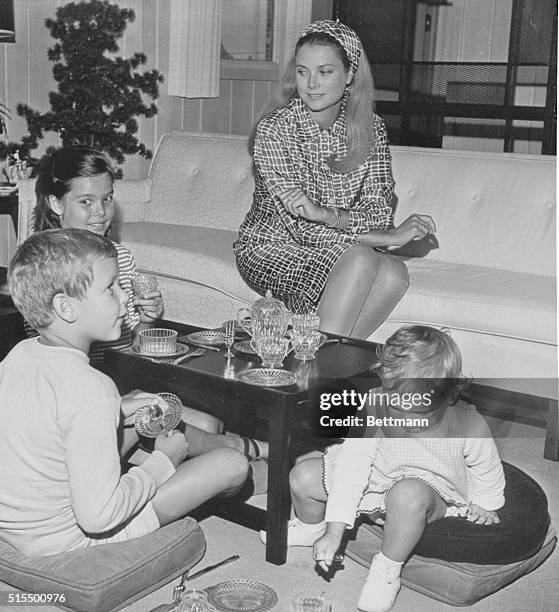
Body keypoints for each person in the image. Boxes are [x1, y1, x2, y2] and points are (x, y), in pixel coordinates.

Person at [0, 229, 249, 556]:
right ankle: (265, 472)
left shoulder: (19, 353)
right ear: (66, 308)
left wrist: (116, 409)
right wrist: (162, 463)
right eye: (110, 288)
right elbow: (98, 518)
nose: (124, 297)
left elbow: (45, 424)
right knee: (232, 465)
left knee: (141, 412)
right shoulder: (91, 387)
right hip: (71, 542)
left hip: (18, 529)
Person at [29, 145, 268, 461]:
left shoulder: (120, 257)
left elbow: (132, 345)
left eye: (107, 199)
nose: (100, 212)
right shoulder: (43, 266)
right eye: (85, 202)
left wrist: (146, 319)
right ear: (56, 203)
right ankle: (244, 451)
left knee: (211, 421)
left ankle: (229, 464)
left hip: (120, 380)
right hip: (77, 395)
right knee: (201, 430)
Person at [234, 20, 436, 339]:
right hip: (270, 247)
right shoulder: (275, 130)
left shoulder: (371, 129)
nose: (311, 84)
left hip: (334, 243)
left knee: (395, 273)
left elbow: (379, 214)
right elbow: (302, 227)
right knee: (360, 259)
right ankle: (316, 373)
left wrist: (331, 216)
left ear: (350, 74)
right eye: (303, 71)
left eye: (325, 72)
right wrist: (386, 239)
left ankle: (317, 362)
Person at [283, 326, 505, 612]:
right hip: (379, 478)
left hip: (429, 491)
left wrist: (486, 503)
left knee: (406, 494)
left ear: (450, 396)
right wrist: (333, 530)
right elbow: (352, 468)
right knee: (303, 476)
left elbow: (487, 466)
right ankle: (309, 527)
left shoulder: (467, 422)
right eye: (396, 407)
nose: (405, 419)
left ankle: (387, 568)